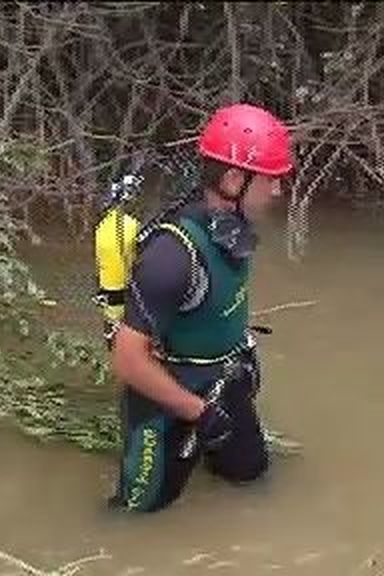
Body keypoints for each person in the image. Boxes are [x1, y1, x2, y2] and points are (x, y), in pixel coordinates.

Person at [106, 103, 294, 513]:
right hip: (170, 398)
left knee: (250, 476)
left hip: (226, 380)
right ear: (233, 179)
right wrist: (200, 414)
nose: (278, 191)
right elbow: (127, 360)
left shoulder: (231, 226)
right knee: (137, 517)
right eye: (271, 180)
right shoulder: (171, 255)